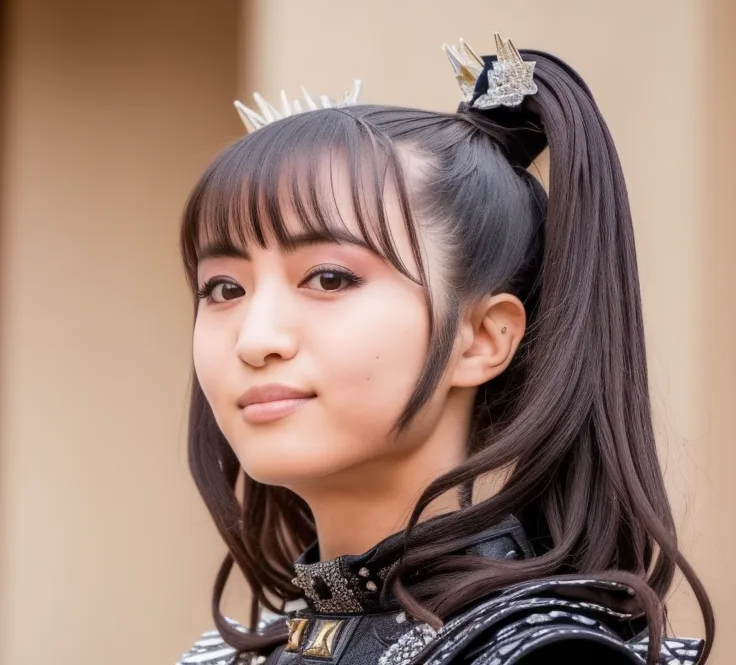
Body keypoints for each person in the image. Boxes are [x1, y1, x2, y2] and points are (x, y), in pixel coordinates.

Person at [175, 35, 713, 664]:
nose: (256, 339)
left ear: (483, 338)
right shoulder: (231, 655)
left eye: (328, 278)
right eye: (224, 288)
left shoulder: (540, 655)